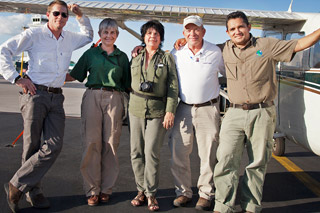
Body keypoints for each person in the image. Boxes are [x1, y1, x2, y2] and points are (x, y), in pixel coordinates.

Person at [212, 11, 320, 213]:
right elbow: (198, 49)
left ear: (249, 27)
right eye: (233, 29)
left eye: (241, 27)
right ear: (227, 32)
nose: (237, 32)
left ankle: (251, 207)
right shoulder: (223, 49)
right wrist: (182, 41)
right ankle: (222, 206)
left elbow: (299, 44)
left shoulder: (266, 46)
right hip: (234, 114)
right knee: (225, 160)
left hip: (262, 112)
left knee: (257, 163)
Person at [0, 0, 93, 212]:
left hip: (56, 97)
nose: (60, 17)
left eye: (64, 15)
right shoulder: (33, 35)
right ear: (48, 14)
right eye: (56, 14)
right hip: (35, 95)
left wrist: (80, 16)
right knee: (31, 146)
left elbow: (88, 36)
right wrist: (16, 78)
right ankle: (35, 191)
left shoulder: (70, 38)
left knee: (54, 145)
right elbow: (4, 50)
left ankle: (16, 185)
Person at [67, 18, 130, 206]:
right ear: (100, 34)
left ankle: (106, 189)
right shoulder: (90, 54)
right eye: (105, 32)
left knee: (111, 143)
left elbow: (128, 84)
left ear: (117, 35)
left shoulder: (122, 57)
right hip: (93, 97)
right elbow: (75, 74)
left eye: (112, 33)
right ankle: (92, 189)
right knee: (91, 143)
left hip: (115, 99)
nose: (108, 36)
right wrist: (49, 78)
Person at [168, 15, 225, 211]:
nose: (192, 33)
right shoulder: (177, 52)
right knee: (179, 151)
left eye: (196, 29)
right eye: (188, 30)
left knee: (208, 153)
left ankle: (205, 193)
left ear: (203, 31)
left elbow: (228, 73)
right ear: (183, 33)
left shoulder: (215, 52)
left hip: (208, 108)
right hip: (183, 107)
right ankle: (183, 192)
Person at [129, 20, 178, 211]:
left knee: (151, 153)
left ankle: (151, 194)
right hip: (135, 109)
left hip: (158, 111)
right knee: (136, 152)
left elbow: (173, 87)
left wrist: (170, 111)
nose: (152, 36)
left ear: (161, 38)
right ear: (143, 36)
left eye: (156, 34)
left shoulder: (166, 59)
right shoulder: (135, 56)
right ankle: (140, 190)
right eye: (149, 33)